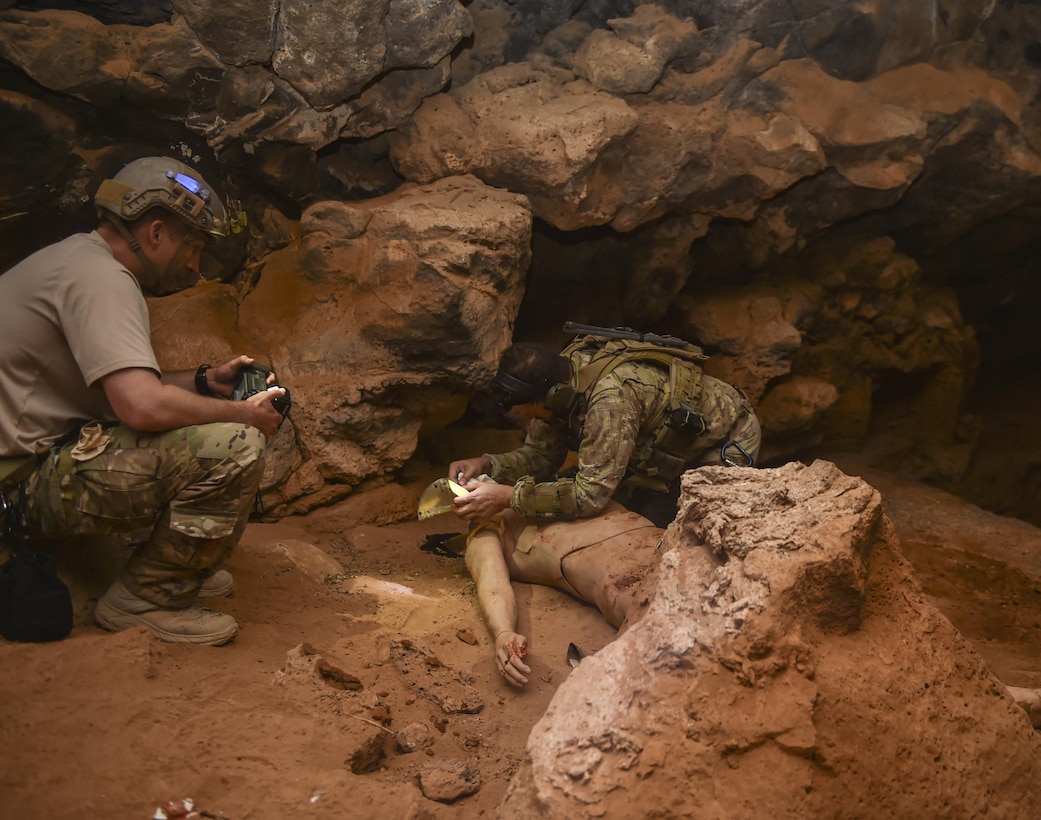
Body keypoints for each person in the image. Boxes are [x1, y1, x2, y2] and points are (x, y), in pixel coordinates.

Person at [0, 156, 286, 646]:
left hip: (18, 466)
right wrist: (243, 413)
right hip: (16, 487)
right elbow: (142, 407)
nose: (195, 267)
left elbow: (118, 385)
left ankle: (173, 562)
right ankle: (149, 596)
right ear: (156, 233)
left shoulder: (76, 261)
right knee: (236, 444)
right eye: (192, 246)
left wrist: (202, 381)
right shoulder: (104, 281)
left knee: (192, 427)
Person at [449, 334, 761, 528]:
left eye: (525, 408)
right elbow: (542, 456)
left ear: (554, 395)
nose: (523, 416)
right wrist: (489, 464)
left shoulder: (608, 404)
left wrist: (508, 497)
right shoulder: (562, 380)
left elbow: (590, 497)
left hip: (724, 441)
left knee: (677, 534)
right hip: (656, 445)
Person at [463, 498, 664, 687]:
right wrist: (503, 631)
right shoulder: (490, 527)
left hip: (660, 539)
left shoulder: (568, 489)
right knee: (663, 628)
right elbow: (493, 584)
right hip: (621, 576)